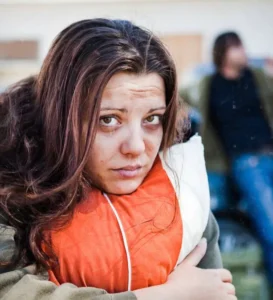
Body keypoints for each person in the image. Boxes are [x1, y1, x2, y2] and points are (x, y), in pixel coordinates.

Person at [0, 19, 236, 299]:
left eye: (152, 119)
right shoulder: (9, 187)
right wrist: (166, 295)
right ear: (60, 117)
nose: (136, 147)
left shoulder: (182, 199)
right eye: (108, 120)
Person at [181, 31, 273, 286]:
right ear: (224, 52)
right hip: (246, 163)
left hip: (270, 153)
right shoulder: (207, 84)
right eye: (237, 47)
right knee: (271, 228)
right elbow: (178, 94)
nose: (243, 52)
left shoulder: (258, 77)